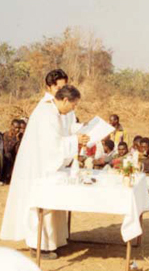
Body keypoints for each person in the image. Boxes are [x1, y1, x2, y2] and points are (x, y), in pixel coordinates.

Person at [1, 85, 89, 259]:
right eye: (73, 105)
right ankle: (39, 246)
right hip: (39, 169)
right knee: (41, 207)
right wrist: (74, 140)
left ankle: (52, 243)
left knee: (52, 207)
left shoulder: (54, 112)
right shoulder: (45, 113)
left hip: (48, 168)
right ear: (65, 100)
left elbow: (59, 137)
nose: (74, 108)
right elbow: (52, 146)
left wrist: (76, 135)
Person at [1, 119, 21, 184]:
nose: (17, 130)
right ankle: (6, 177)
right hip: (7, 158)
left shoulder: (20, 136)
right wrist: (16, 140)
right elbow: (7, 149)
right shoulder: (6, 135)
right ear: (12, 126)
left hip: (16, 157)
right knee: (8, 155)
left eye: (18, 128)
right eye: (15, 128)